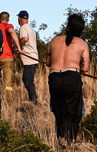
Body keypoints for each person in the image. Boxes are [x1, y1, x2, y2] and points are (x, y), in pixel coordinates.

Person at [46, 13, 89, 142]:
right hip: (71, 78)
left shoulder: (54, 40)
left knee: (58, 112)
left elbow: (48, 62)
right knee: (73, 112)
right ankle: (69, 142)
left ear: (67, 27)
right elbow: (85, 68)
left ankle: (60, 140)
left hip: (54, 78)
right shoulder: (82, 44)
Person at [0, 12, 21, 97]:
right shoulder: (8, 26)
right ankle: (8, 101)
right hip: (8, 58)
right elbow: (12, 32)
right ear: (8, 19)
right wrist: (18, 47)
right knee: (8, 83)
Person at [17, 10, 38, 103]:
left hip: (29, 59)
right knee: (27, 80)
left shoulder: (23, 28)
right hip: (34, 57)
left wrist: (18, 46)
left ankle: (34, 101)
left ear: (19, 18)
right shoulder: (30, 28)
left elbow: (24, 39)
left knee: (28, 81)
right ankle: (33, 99)